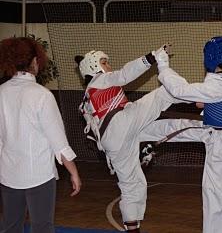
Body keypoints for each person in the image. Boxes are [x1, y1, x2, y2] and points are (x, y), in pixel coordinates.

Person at [138, 36, 222, 233]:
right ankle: (136, 133)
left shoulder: (221, 84)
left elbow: (180, 90)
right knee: (177, 126)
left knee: (213, 194)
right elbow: (214, 99)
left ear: (210, 58)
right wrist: (208, 100)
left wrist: (163, 64)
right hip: (215, 130)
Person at [74, 45, 185, 233]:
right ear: (94, 67)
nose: (108, 65)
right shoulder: (100, 80)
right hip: (120, 123)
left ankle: (132, 229)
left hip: (112, 143)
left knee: (132, 187)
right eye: (104, 62)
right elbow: (125, 74)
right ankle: (203, 99)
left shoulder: (88, 96)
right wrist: (151, 57)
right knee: (162, 94)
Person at [0, 36, 82, 233]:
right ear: (35, 61)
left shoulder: (1, 92)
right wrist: (74, 172)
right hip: (39, 174)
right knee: (42, 227)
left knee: (10, 226)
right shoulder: (42, 95)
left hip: (8, 173)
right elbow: (58, 142)